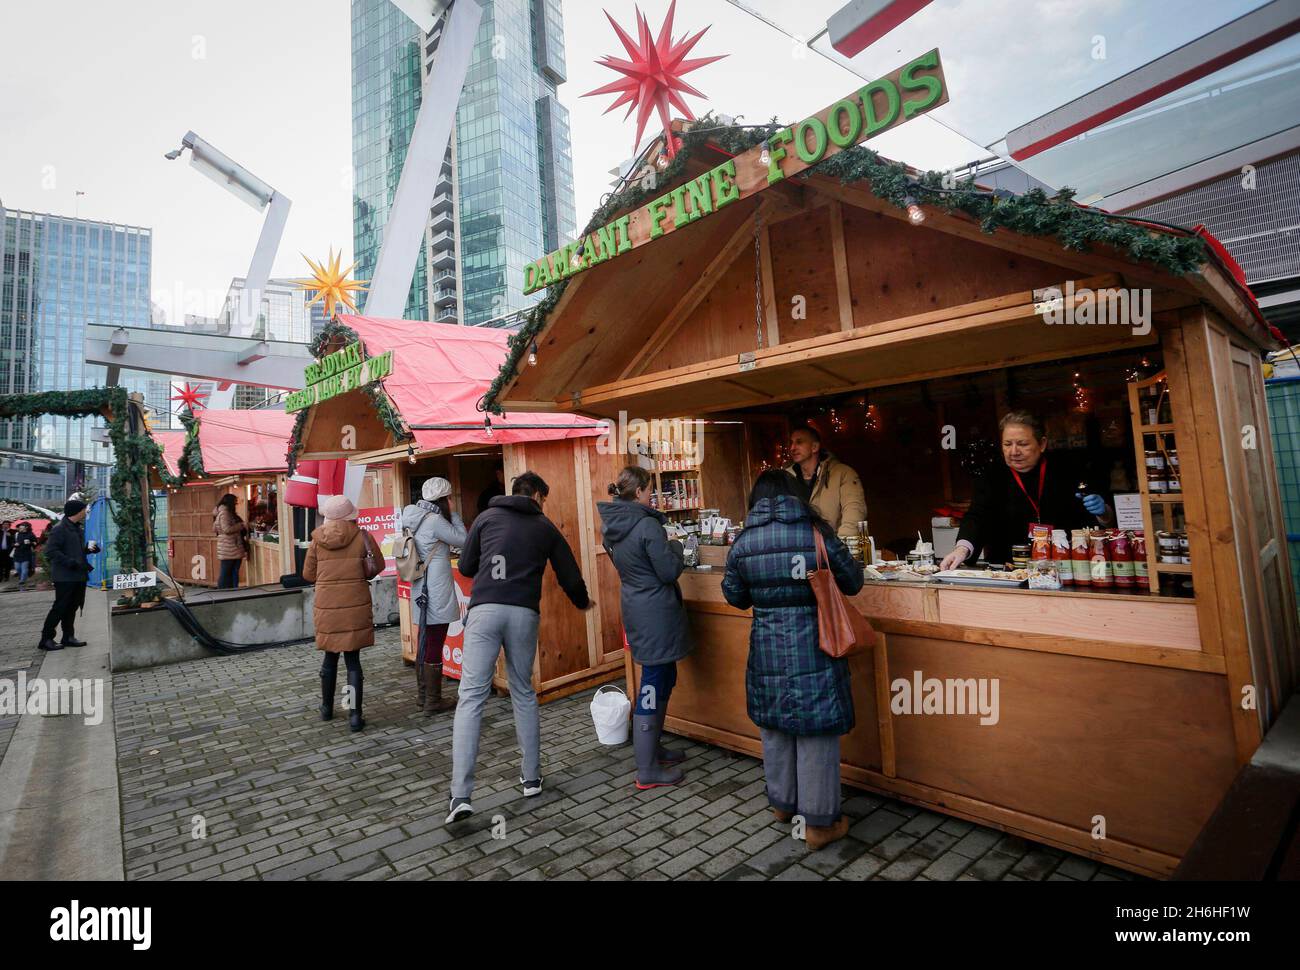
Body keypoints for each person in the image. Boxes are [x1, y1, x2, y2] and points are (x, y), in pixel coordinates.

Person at [722, 470, 864, 851]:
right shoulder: (816, 533)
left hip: (766, 647)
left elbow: (734, 596)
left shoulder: (744, 541)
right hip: (815, 646)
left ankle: (783, 806)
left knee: (775, 725)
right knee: (815, 729)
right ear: (796, 496)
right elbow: (852, 581)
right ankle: (818, 825)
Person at [447, 471, 592, 823]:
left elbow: (466, 566)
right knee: (523, 692)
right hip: (523, 613)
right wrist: (583, 602)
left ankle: (460, 796)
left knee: (471, 697)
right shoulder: (544, 526)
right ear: (538, 496)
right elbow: (569, 574)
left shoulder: (485, 518)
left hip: (484, 611)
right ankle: (530, 779)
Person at [597, 465, 692, 790]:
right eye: (650, 489)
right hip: (657, 611)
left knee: (661, 676)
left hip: (636, 606)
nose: (652, 495)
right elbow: (667, 572)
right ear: (638, 492)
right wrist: (678, 548)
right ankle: (647, 768)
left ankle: (654, 750)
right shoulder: (647, 525)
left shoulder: (612, 527)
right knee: (653, 681)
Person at [941, 410, 1115, 570]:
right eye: (1007, 444)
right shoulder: (992, 474)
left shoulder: (1068, 470)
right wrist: (962, 549)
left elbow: (1101, 519)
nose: (1014, 451)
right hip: (1007, 567)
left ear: (1042, 444)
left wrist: (1104, 512)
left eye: (1022, 444)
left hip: (1066, 566)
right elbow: (977, 516)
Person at [303, 495, 383, 733]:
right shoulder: (362, 536)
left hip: (327, 606)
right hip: (355, 604)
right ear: (351, 515)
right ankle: (355, 716)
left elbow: (308, 574)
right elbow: (377, 566)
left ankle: (327, 708)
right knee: (353, 661)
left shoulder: (316, 540)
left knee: (329, 658)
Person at [401, 477, 467, 715]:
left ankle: (423, 697)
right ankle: (433, 701)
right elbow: (463, 540)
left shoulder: (413, 516)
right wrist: (456, 516)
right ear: (444, 499)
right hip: (436, 586)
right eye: (449, 498)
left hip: (420, 585)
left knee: (425, 639)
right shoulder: (435, 520)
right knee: (436, 638)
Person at [784, 425, 867, 538]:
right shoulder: (784, 477)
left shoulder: (843, 473)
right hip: (797, 550)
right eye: (791, 443)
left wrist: (840, 549)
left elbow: (854, 513)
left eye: (799, 442)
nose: (792, 447)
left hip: (832, 549)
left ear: (815, 447)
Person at [38, 501, 96, 651]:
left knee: (72, 607)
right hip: (65, 576)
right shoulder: (60, 529)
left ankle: (68, 636)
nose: (85, 512)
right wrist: (70, 562)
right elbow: (51, 551)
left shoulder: (77, 529)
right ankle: (46, 639)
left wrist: (90, 550)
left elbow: (76, 550)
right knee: (60, 607)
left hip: (78, 575)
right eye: (84, 509)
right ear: (77, 511)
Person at [213, 495, 248, 589]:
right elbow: (226, 529)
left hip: (230, 547)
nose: (236, 504)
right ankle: (226, 592)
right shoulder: (225, 513)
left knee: (230, 571)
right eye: (235, 502)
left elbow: (215, 529)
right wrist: (240, 525)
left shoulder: (221, 513)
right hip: (230, 547)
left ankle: (230, 591)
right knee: (228, 572)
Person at [12, 522, 37, 590]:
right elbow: (12, 542)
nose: (19, 528)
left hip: (26, 553)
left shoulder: (31, 534)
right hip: (17, 553)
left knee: (24, 568)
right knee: (17, 568)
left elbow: (35, 543)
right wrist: (15, 544)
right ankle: (22, 578)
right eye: (19, 527)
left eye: (21, 527)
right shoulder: (17, 534)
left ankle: (22, 581)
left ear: (26, 527)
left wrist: (30, 542)